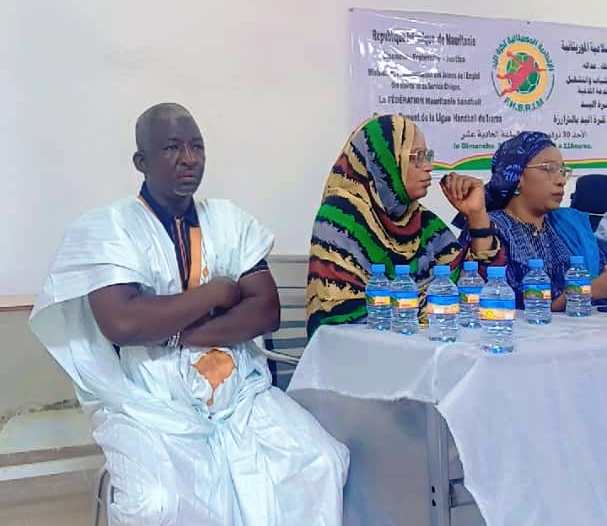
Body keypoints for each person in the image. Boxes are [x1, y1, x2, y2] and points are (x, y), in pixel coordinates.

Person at [30, 103, 348, 525]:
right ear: (141, 161)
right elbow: (123, 323)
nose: (189, 159)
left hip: (240, 391)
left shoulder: (230, 221)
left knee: (320, 461)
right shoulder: (108, 228)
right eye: (172, 148)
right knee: (157, 502)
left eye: (197, 147)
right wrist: (217, 292)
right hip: (147, 398)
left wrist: (178, 332)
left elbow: (265, 310)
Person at [306, 114, 505, 338]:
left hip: (423, 347)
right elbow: (343, 314)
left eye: (427, 156)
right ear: (384, 162)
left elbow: (479, 292)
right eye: (416, 157)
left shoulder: (422, 221)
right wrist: (433, 308)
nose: (428, 167)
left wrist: (477, 215)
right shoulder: (340, 217)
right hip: (362, 353)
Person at [459, 131, 607, 310]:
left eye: (562, 171)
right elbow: (498, 301)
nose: (561, 180)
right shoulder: (488, 227)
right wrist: (589, 291)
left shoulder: (567, 225)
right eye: (549, 168)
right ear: (517, 176)